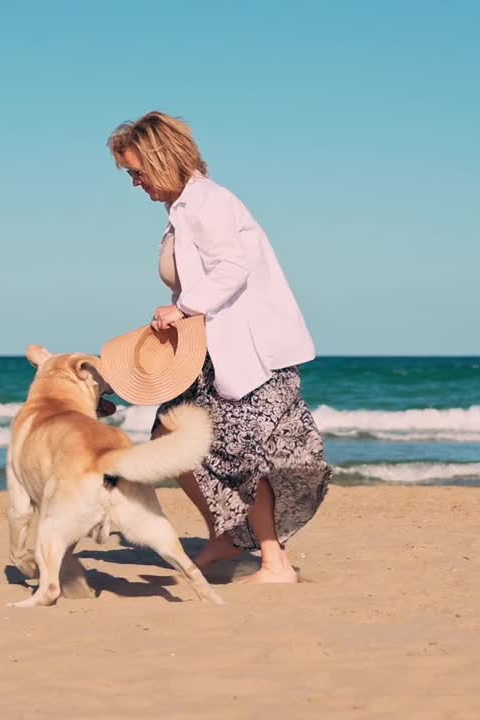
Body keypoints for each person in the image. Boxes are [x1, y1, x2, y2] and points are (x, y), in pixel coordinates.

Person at [106, 111, 331, 584]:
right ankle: (225, 536)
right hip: (203, 354)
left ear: (159, 159)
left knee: (245, 457)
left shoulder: (210, 203)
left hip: (246, 352)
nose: (135, 183)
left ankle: (275, 563)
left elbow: (233, 268)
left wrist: (184, 307)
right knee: (170, 441)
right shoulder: (182, 211)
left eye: (136, 172)